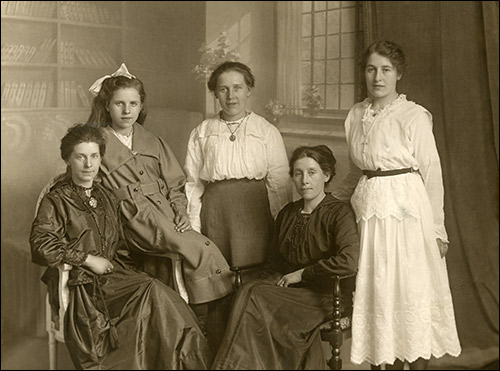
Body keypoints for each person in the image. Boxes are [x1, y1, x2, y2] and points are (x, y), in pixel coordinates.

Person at [30, 124, 212, 369]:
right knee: (153, 294)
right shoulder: (57, 200)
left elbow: (122, 245)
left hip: (114, 277)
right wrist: (87, 259)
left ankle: (188, 363)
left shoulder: (106, 196)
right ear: (68, 159)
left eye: (94, 156)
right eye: (80, 157)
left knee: (157, 292)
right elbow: (41, 244)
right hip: (82, 284)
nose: (88, 164)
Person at [333, 40, 461, 369]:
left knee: (409, 292)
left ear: (398, 74)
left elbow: (431, 173)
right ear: (364, 73)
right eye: (371, 69)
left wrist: (437, 229)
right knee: (379, 293)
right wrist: (329, 203)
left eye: (386, 70)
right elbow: (354, 171)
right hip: (369, 213)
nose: (378, 77)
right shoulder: (356, 115)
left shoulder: (413, 116)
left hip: (406, 212)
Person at [85, 63, 234, 306]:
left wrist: (180, 211)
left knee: (201, 247)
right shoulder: (96, 144)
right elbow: (90, 191)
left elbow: (175, 184)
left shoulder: (153, 141)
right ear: (106, 106)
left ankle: (205, 312)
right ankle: (206, 313)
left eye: (133, 104)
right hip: (132, 219)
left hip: (165, 212)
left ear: (141, 106)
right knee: (200, 249)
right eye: (119, 104)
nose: (126, 111)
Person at [212, 145, 360, 370]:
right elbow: (274, 262)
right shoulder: (288, 213)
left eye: (312, 172)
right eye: (298, 173)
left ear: (326, 175)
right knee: (229, 305)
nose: (304, 180)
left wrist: (302, 274)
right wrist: (268, 280)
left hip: (326, 298)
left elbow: (349, 261)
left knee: (253, 295)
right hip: (287, 295)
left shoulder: (339, 213)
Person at [184, 61, 292, 273]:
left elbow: (279, 184)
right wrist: (194, 225)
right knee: (218, 273)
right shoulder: (202, 132)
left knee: (254, 273)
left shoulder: (265, 131)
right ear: (215, 93)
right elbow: (194, 183)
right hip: (215, 213)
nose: (231, 96)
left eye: (237, 88)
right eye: (223, 89)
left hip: (255, 214)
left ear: (249, 90)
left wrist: (281, 225)